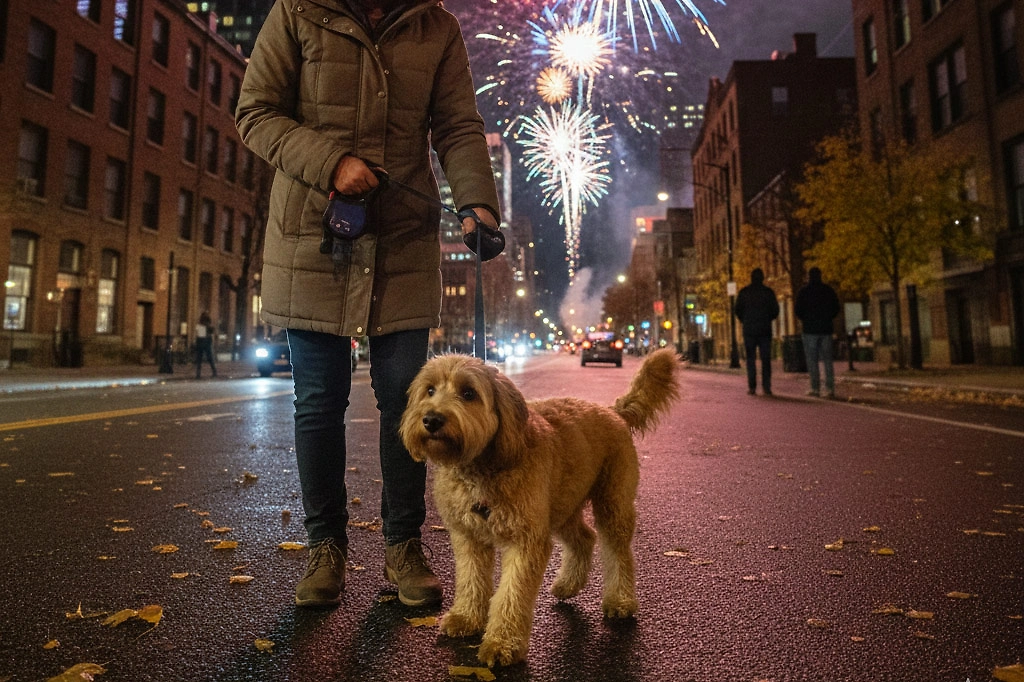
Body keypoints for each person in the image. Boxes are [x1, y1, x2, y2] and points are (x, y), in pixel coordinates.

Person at [236, 0, 501, 608]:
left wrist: (476, 203)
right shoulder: (297, 12)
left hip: (403, 239)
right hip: (313, 233)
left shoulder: (435, 26)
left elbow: (457, 124)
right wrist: (332, 163)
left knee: (406, 397)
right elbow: (254, 113)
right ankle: (325, 548)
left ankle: (404, 544)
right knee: (320, 401)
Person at [794, 267, 841, 398]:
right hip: (826, 329)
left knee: (812, 360)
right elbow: (836, 307)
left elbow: (798, 310)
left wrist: (806, 319)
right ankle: (830, 389)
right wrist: (828, 318)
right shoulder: (828, 290)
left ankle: (815, 388)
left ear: (809, 276)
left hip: (810, 330)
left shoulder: (804, 292)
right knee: (827, 360)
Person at [734, 268, 779, 396]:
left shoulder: (744, 293)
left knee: (750, 359)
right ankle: (766, 386)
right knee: (766, 359)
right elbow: (775, 310)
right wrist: (767, 319)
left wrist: (745, 320)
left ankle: (752, 386)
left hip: (749, 330)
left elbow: (737, 310)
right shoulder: (768, 293)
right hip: (765, 329)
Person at [194, 312, 216, 379]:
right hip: (206, 343)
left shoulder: (200, 325)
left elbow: (198, 335)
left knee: (199, 360)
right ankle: (214, 371)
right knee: (209, 358)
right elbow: (211, 332)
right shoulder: (208, 325)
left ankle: (198, 374)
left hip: (202, 343)